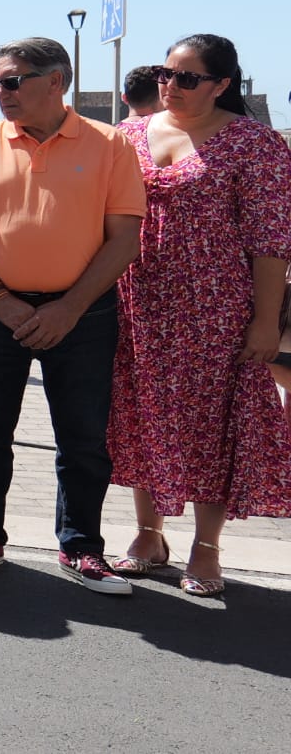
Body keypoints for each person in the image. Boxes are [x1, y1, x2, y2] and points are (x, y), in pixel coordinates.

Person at [0, 37, 144, 594]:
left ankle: (81, 546)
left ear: (57, 81)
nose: (0, 93)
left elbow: (125, 236)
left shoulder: (110, 145)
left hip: (83, 312)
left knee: (81, 437)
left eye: (12, 81)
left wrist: (69, 307)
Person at [109, 34, 291, 597]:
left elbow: (270, 241)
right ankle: (147, 534)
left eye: (187, 78)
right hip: (136, 299)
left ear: (221, 85)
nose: (170, 86)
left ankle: (205, 546)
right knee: (141, 414)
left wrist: (266, 322)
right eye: (166, 74)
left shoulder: (255, 145)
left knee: (212, 426)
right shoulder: (127, 134)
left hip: (216, 307)